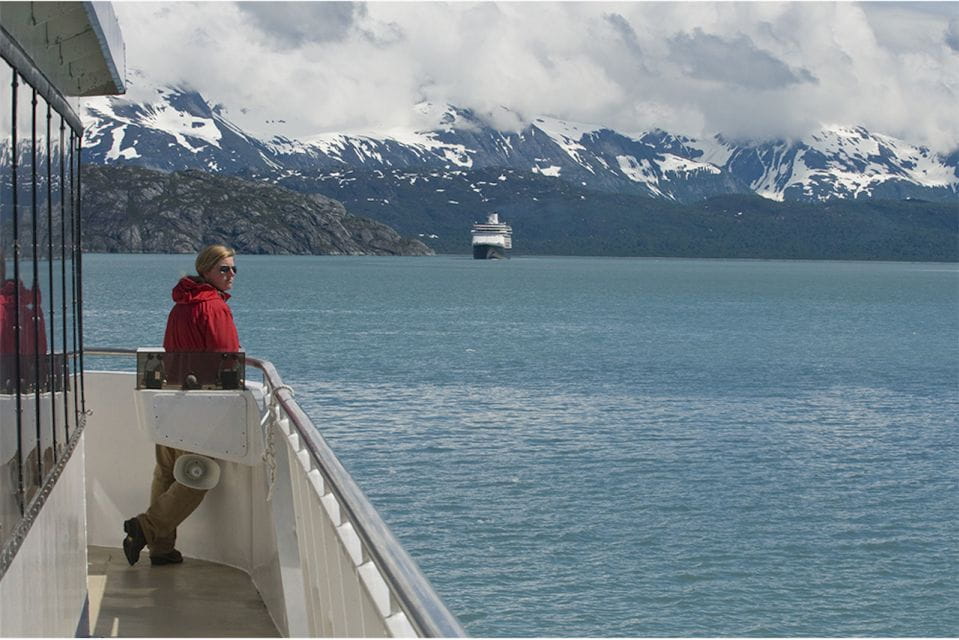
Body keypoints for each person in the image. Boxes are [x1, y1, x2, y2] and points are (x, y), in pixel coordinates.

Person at [122, 244, 240, 566]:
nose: (231, 276)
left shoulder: (180, 306)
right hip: (200, 402)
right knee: (198, 475)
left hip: (170, 395)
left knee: (166, 471)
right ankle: (145, 527)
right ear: (206, 271)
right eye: (224, 269)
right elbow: (225, 357)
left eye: (233, 269)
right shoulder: (213, 307)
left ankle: (161, 549)